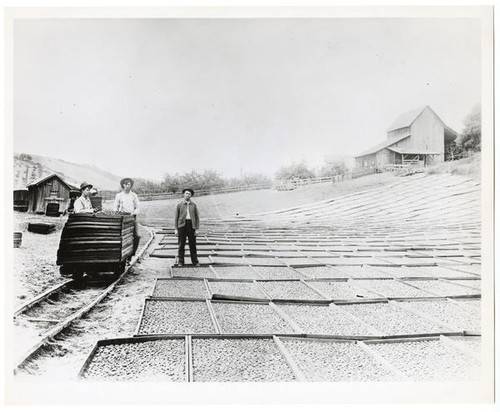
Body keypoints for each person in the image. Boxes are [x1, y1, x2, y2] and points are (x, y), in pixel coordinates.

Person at [114, 178, 141, 257]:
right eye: (127, 184)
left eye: (130, 185)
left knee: (137, 236)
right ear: (123, 185)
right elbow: (115, 207)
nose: (128, 186)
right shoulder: (119, 195)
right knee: (124, 238)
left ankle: (132, 254)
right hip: (122, 219)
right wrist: (118, 213)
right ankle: (123, 256)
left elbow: (138, 207)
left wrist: (134, 213)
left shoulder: (133, 195)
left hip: (132, 218)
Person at [174, 188, 199, 266]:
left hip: (191, 225)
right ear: (183, 194)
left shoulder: (193, 205)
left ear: (191, 195)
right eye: (186, 193)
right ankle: (181, 261)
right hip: (182, 226)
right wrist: (176, 229)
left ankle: (195, 262)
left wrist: (196, 229)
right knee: (181, 245)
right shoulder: (179, 205)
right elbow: (176, 217)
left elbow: (197, 217)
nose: (188, 195)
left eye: (189, 194)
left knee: (193, 245)